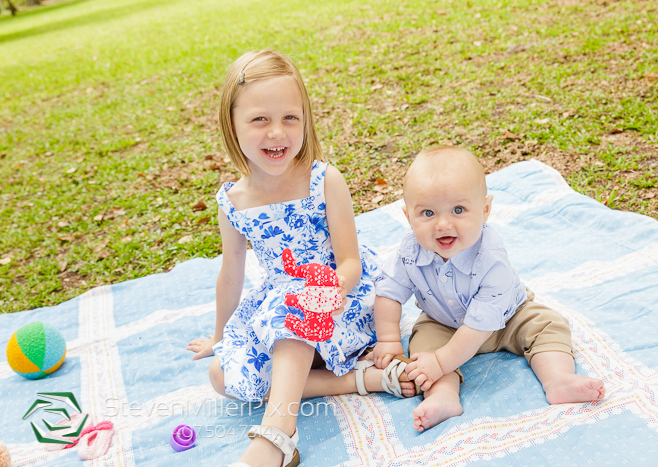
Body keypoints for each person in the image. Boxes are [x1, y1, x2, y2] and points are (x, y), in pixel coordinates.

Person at [186, 50, 415, 467]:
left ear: (305, 119)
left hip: (340, 300)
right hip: (279, 307)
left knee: (290, 308)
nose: (277, 132)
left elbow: (350, 262)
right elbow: (230, 274)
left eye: (290, 118)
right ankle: (360, 381)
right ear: (232, 126)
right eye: (260, 120)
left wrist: (327, 291)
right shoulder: (233, 202)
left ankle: (278, 434)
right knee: (223, 377)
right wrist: (221, 337)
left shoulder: (323, 179)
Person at [372, 146, 606, 433]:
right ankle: (443, 397)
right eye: (428, 213)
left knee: (548, 324)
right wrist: (388, 340)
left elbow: (480, 326)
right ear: (408, 217)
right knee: (422, 347)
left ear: (485, 210)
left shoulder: (491, 258)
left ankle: (558, 379)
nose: (443, 223)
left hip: (508, 317)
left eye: (458, 210)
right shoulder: (410, 250)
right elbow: (389, 292)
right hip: (443, 321)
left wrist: (441, 361)